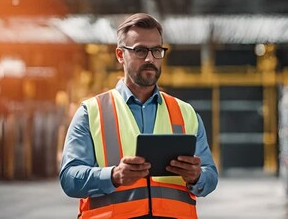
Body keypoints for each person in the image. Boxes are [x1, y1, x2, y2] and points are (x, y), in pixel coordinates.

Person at [60, 13, 218, 219]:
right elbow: (69, 179)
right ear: (119, 55)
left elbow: (211, 176)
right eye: (140, 50)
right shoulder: (91, 113)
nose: (150, 58)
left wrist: (197, 176)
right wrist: (113, 176)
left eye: (156, 50)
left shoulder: (186, 113)